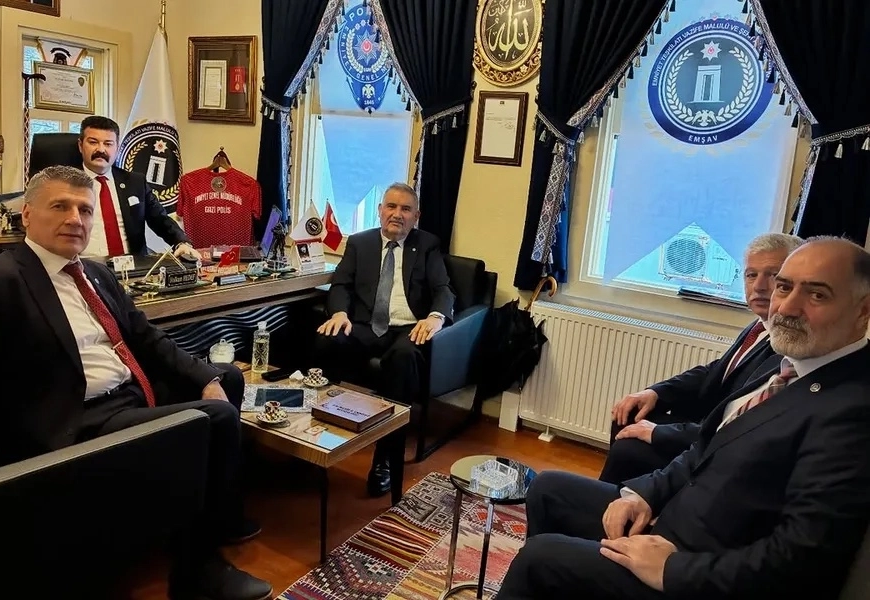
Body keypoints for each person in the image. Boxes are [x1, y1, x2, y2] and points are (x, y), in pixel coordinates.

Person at [497, 236, 870, 599]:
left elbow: (801, 561)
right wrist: (644, 495)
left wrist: (673, 570)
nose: (787, 307)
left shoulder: (852, 412)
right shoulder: (787, 361)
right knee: (548, 489)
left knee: (539, 559)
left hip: (700, 569)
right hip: (672, 516)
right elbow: (706, 446)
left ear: (863, 310)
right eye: (784, 287)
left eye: (817, 295)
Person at [0, 166, 272, 600]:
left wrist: (205, 376)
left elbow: (147, 338)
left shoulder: (96, 273)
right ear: (27, 215)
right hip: (79, 418)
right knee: (219, 417)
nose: (75, 219)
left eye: (84, 210)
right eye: (60, 206)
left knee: (226, 377)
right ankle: (196, 570)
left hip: (128, 395)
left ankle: (216, 514)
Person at [599, 233, 802, 484]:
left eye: (773, 275)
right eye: (751, 275)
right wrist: (656, 392)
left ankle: (620, 501)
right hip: (704, 424)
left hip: (717, 446)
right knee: (629, 414)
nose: (759, 286)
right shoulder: (760, 325)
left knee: (628, 449)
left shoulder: (788, 345)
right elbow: (718, 370)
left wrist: (661, 433)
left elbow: (740, 424)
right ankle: (614, 498)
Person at [315, 182, 455, 496]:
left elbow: (443, 289)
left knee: (403, 358)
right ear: (380, 210)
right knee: (326, 339)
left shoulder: (428, 244)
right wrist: (339, 313)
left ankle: (385, 459)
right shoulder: (359, 243)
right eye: (391, 206)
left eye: (406, 209)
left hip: (408, 329)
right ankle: (320, 434)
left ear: (416, 216)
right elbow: (341, 285)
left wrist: (435, 317)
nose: (397, 214)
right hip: (365, 326)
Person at [76, 115, 200, 260]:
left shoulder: (135, 182)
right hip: (85, 265)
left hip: (132, 265)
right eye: (93, 142)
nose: (101, 149)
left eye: (108, 144)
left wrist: (181, 242)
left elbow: (160, 219)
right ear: (80, 145)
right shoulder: (65, 183)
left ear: (117, 148)